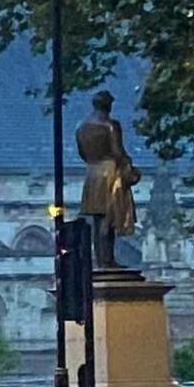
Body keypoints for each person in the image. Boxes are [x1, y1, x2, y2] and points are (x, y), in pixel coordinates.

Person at [76, 90, 141, 269]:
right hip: (109, 173)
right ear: (107, 105)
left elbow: (82, 153)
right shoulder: (110, 125)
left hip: (92, 173)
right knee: (109, 219)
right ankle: (108, 260)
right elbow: (118, 152)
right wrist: (130, 167)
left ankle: (101, 259)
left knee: (98, 221)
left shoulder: (82, 127)